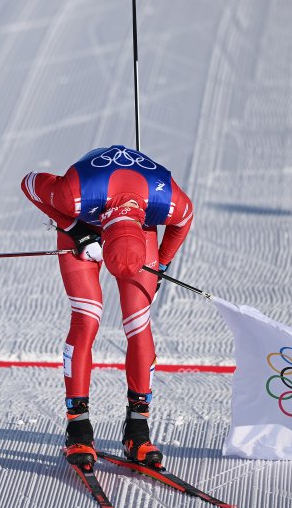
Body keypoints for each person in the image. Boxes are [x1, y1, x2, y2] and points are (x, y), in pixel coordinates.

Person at [21, 145, 193, 468]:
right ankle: (78, 428)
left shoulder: (166, 199)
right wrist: (76, 230)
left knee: (139, 323)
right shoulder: (73, 192)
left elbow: (185, 218)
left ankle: (137, 430)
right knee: (87, 318)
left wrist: (163, 266)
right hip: (85, 219)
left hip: (137, 226)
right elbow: (29, 183)